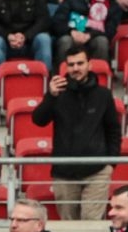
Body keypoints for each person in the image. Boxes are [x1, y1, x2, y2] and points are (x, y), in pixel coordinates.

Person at [33, 47, 120, 221]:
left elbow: (113, 129)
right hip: (64, 172)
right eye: (71, 64)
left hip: (97, 171)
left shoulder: (103, 95)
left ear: (89, 64)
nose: (76, 68)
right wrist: (50, 96)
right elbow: (39, 120)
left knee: (91, 222)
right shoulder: (57, 93)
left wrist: (111, 163)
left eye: (80, 63)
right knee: (68, 224)